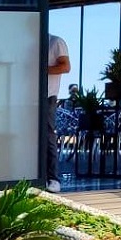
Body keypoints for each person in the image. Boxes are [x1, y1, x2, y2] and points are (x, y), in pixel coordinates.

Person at [47, 33, 71, 192]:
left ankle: (53, 178)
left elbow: (65, 66)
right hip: (27, 97)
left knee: (47, 135)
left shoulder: (55, 42)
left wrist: (40, 69)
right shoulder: (29, 43)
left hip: (47, 96)